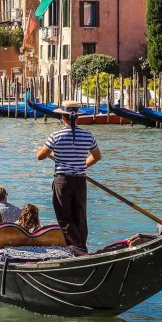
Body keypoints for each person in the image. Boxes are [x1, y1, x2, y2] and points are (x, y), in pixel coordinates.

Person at [36, 101, 102, 256]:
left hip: (63, 181)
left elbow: (40, 156)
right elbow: (97, 156)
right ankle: (82, 247)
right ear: (77, 117)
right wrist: (81, 166)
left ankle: (77, 250)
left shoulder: (56, 135)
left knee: (65, 217)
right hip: (80, 181)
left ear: (62, 117)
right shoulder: (88, 135)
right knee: (80, 215)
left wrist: (43, 151)